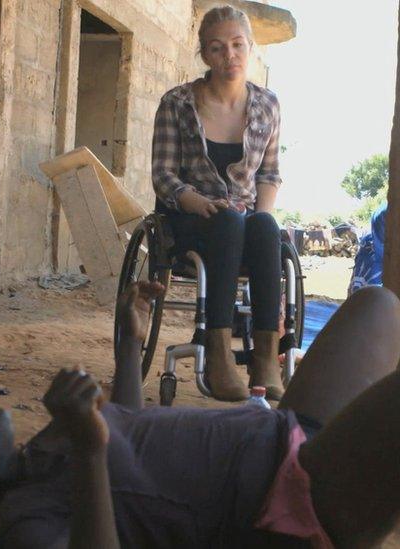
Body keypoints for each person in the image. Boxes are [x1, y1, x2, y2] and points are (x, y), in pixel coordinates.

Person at [0, 281, 400, 548]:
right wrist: (88, 445)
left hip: (283, 429)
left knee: (381, 304)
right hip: (291, 498)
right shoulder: (19, 518)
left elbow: (127, 423)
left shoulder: (49, 441)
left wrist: (129, 344)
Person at [152, 6, 286, 401]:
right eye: (217, 48)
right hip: (190, 216)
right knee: (229, 222)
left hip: (243, 220)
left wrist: (261, 214)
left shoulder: (267, 106)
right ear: (205, 55)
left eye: (237, 45)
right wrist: (193, 201)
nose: (229, 55)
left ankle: (264, 357)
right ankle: (218, 352)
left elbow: (270, 174)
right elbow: (163, 175)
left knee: (265, 226)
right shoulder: (177, 103)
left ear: (250, 48)